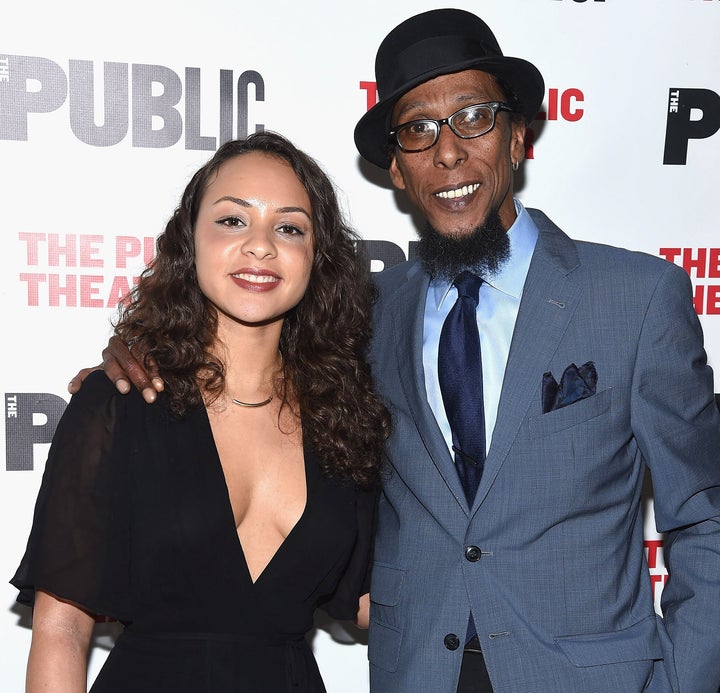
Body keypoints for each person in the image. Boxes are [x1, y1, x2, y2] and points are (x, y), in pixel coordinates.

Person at [70, 8, 720, 693]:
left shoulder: (637, 297)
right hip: (418, 673)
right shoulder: (363, 313)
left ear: (518, 136)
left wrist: (685, 681)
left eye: (474, 117)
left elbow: (705, 515)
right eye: (418, 130)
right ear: (399, 172)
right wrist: (135, 357)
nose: (448, 151)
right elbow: (238, 352)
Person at [12, 131, 390, 692]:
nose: (260, 246)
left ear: (317, 256)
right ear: (190, 240)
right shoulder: (120, 403)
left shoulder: (343, 419)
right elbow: (62, 628)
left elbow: (369, 601)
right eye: (233, 220)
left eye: (289, 227)